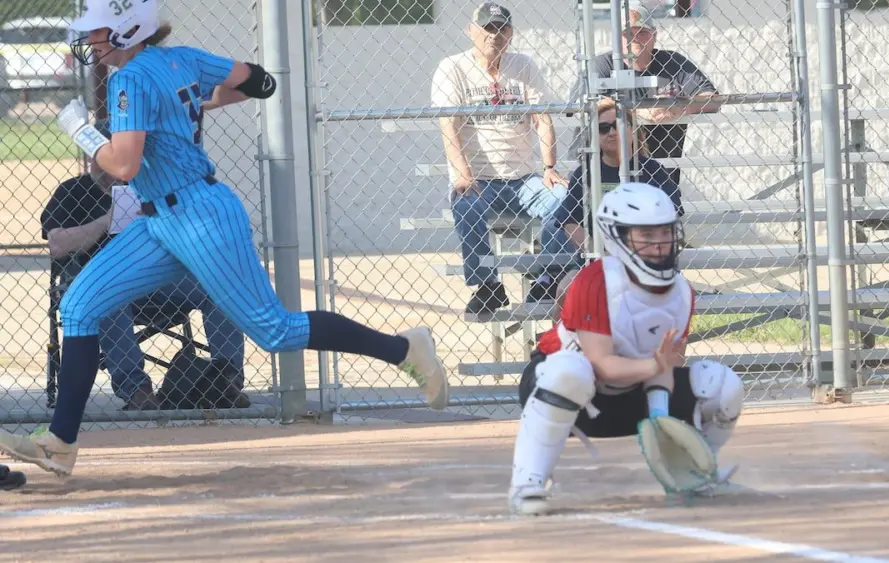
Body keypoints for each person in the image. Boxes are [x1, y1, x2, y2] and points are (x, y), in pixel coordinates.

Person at [0, 0, 448, 478]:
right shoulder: (183, 58)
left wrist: (82, 132)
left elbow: (124, 166)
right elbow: (260, 81)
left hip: (199, 216)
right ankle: (60, 442)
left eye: (98, 31)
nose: (89, 41)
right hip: (162, 220)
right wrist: (192, 103)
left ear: (129, 30)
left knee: (274, 329)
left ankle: (403, 349)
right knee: (79, 306)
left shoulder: (129, 78)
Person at [507, 183, 743, 516]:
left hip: (630, 396)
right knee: (570, 372)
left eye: (665, 232)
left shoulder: (682, 292)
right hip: (570, 395)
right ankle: (528, 481)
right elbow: (600, 363)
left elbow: (666, 367)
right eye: (646, 235)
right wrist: (654, 366)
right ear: (617, 236)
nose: (659, 244)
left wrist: (660, 416)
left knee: (722, 384)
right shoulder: (595, 280)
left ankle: (695, 472)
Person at [41, 149, 248, 410]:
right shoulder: (72, 191)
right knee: (107, 297)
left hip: (156, 281)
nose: (112, 171)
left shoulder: (149, 188)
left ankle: (225, 381)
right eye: (105, 159)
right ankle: (137, 390)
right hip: (100, 284)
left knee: (220, 290)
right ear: (93, 157)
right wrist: (107, 221)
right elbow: (57, 245)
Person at [432, 2, 573, 312]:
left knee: (565, 198)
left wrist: (550, 166)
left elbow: (542, 118)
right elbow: (449, 126)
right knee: (466, 204)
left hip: (524, 180)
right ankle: (488, 286)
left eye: (502, 28)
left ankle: (549, 278)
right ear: (471, 31)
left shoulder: (523, 66)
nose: (495, 35)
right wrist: (462, 175)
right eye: (488, 28)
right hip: (479, 181)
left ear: (511, 33)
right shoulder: (452, 68)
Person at [568, 5, 719, 190]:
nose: (635, 38)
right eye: (628, 33)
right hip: (603, 171)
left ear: (654, 36)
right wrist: (639, 112)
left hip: (659, 172)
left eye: (643, 33)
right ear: (616, 38)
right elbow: (581, 106)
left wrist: (680, 107)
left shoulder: (671, 62)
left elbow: (712, 98)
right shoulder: (600, 66)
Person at [557, 97, 683, 251]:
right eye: (603, 128)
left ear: (632, 129)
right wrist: (599, 253)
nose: (612, 132)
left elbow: (671, 213)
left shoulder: (653, 170)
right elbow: (570, 221)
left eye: (618, 125)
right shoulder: (585, 173)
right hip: (598, 259)